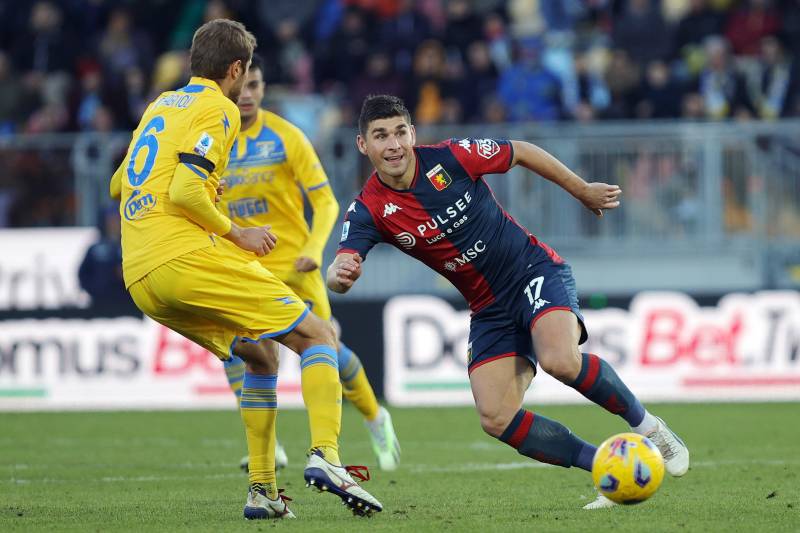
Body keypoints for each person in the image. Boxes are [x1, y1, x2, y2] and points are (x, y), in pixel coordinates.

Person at [329, 94, 690, 510]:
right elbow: (340, 267)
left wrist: (582, 191)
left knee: (559, 360)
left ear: (412, 134)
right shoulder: (369, 209)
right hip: (488, 307)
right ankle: (607, 467)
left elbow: (521, 151)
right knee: (495, 417)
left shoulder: (451, 157)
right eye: (380, 136)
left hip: (532, 270)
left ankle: (650, 429)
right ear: (363, 145)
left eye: (399, 133)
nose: (392, 145)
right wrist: (339, 276)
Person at [109, 19, 382, 520]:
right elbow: (186, 191)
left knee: (260, 357)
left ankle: (262, 490)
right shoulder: (218, 107)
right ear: (236, 69)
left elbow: (116, 184)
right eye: (246, 74)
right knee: (318, 334)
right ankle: (328, 456)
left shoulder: (160, 107)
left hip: (140, 275)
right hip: (185, 256)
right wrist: (239, 233)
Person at [219, 54, 400, 472]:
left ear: (264, 90)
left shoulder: (286, 136)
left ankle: (375, 417)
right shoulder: (215, 139)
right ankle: (269, 448)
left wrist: (315, 250)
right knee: (241, 352)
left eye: (256, 86)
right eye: (241, 86)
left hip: (295, 268)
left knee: (326, 349)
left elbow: (325, 200)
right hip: (245, 269)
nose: (247, 95)